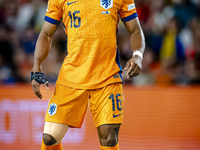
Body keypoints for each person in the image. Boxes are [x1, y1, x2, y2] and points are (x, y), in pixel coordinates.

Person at [31, 0, 145, 149]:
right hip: (72, 76)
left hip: (107, 76)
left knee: (109, 138)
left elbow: (135, 29)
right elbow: (46, 34)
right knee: (49, 138)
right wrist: (36, 68)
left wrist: (137, 55)